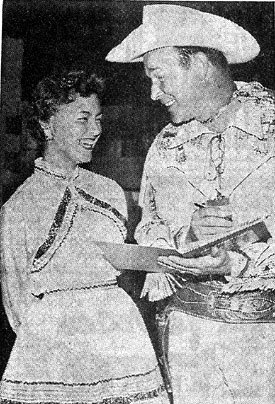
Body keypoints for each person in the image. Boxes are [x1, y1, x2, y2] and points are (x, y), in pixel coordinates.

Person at [106, 5, 275, 404]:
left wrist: (239, 262)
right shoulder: (164, 146)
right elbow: (149, 227)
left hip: (265, 337)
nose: (153, 92)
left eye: (159, 76)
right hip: (188, 333)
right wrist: (185, 238)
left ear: (199, 63)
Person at [0, 70, 170, 404]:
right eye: (83, 119)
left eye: (98, 119)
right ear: (47, 125)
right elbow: (16, 301)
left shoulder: (109, 191)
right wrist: (57, 347)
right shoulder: (19, 206)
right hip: (57, 348)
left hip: (120, 335)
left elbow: (126, 267)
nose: (95, 130)